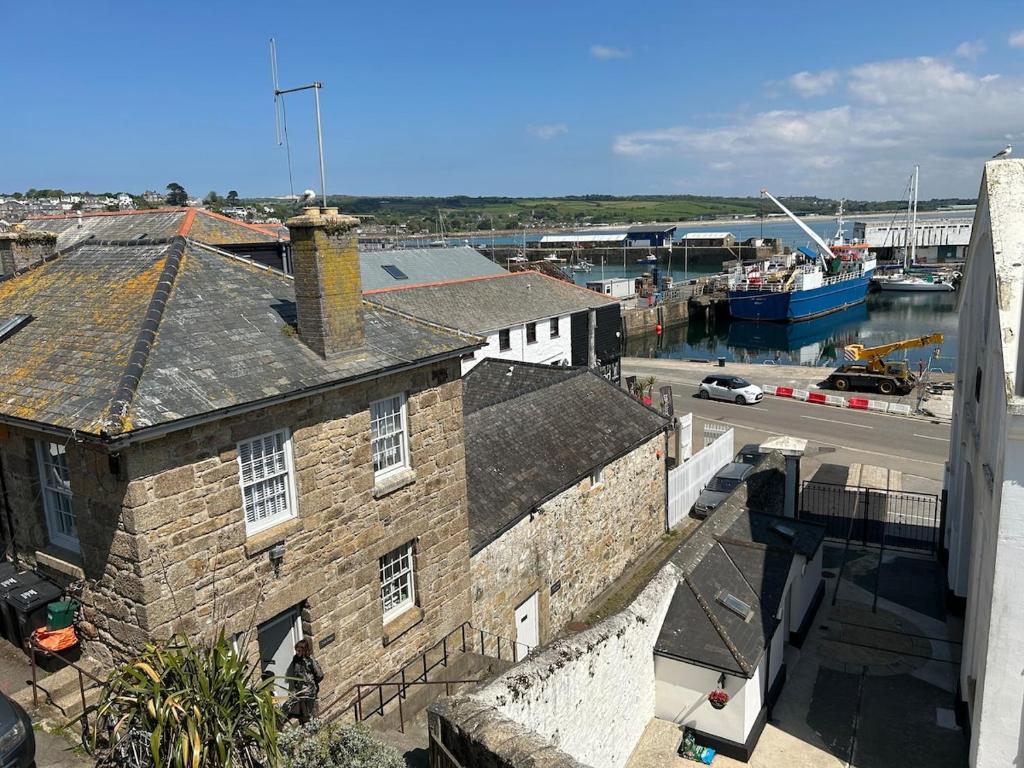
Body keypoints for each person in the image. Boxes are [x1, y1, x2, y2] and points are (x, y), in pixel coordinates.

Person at [286, 639, 324, 724]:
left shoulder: (310, 661)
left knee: (310, 710)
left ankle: (313, 724)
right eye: (296, 650)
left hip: (310, 690)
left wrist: (311, 683)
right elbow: (295, 674)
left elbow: (320, 675)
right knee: (304, 711)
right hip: (300, 690)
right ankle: (306, 723)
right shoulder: (296, 659)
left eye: (299, 651)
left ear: (304, 650)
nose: (297, 652)